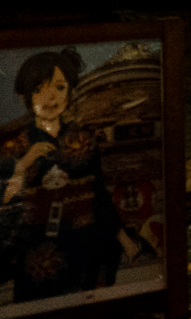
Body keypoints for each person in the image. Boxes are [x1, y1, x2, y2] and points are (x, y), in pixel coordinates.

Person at [0, 48, 147, 303]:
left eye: (58, 87)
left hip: (84, 241)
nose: (50, 97)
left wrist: (123, 238)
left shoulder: (83, 139)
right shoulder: (15, 147)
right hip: (39, 250)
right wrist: (24, 164)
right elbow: (5, 201)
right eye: (39, 89)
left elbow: (99, 194)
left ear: (70, 90)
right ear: (24, 96)